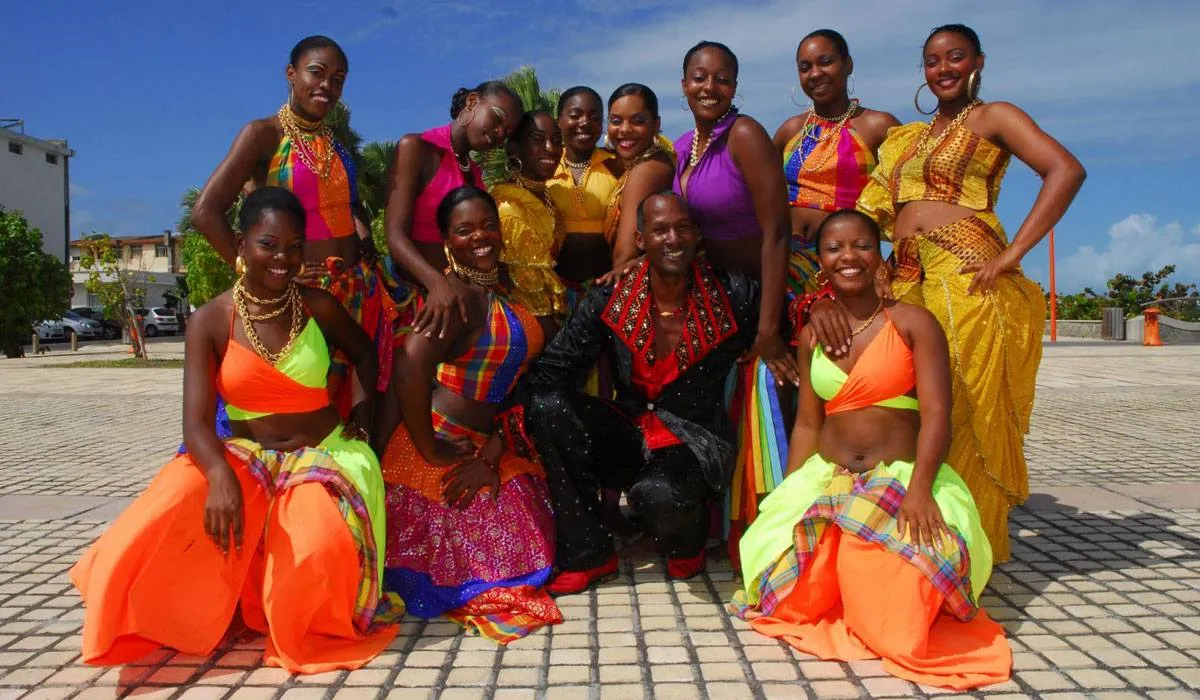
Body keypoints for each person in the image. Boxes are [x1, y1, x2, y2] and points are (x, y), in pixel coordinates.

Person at [71, 188, 400, 674]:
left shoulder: (318, 306)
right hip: (249, 457)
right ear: (242, 244)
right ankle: (138, 613)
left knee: (311, 549)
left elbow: (367, 354)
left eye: (294, 246)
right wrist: (219, 476)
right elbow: (196, 423)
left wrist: (362, 413)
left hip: (323, 456)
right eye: (269, 244)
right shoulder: (209, 320)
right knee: (165, 505)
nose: (283, 258)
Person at [732, 210, 1010, 690]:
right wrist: (787, 495)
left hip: (898, 480)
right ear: (820, 262)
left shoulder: (914, 323)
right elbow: (808, 422)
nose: (849, 257)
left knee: (899, 616)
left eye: (861, 245)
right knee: (788, 592)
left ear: (880, 256)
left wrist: (920, 492)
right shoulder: (813, 335)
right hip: (829, 479)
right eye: (834, 248)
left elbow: (937, 416)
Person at [837, 23, 1084, 561]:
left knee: (963, 408)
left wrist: (1013, 253)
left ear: (978, 62)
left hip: (966, 276)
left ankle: (968, 548)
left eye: (955, 57)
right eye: (932, 60)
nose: (943, 68)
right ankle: (906, 538)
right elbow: (875, 206)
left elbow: (1065, 170)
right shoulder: (906, 138)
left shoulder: (995, 117)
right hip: (906, 278)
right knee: (908, 403)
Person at [510, 191, 761, 595]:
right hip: (628, 433)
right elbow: (555, 368)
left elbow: (786, 318)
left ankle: (687, 545)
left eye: (682, 228)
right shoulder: (611, 296)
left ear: (697, 235)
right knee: (548, 406)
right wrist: (509, 428)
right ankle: (589, 554)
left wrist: (817, 311)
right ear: (641, 239)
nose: (673, 239)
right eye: (660, 230)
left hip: (693, 441)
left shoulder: (734, 294)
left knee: (657, 495)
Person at [379, 187, 560, 644]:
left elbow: (520, 386)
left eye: (487, 225)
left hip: (489, 443)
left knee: (526, 538)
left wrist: (493, 453)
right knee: (485, 555)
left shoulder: (501, 287)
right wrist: (429, 448)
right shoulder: (454, 297)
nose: (480, 237)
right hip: (443, 443)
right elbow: (409, 367)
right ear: (446, 240)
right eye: (464, 230)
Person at [191, 36, 394, 437]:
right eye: (317, 73)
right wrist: (256, 272)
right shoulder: (262, 135)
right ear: (291, 74)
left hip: (356, 290)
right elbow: (205, 213)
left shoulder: (335, 143)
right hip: (301, 295)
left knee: (364, 403)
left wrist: (365, 239)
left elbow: (349, 206)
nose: (327, 86)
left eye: (338, 80)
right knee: (304, 406)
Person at [673, 40, 800, 557]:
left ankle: (774, 527)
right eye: (700, 77)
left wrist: (769, 328)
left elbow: (777, 232)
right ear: (684, 85)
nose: (711, 87)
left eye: (722, 78)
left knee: (767, 397)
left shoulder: (744, 135)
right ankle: (722, 519)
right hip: (723, 295)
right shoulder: (683, 146)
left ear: (734, 86)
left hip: (769, 289)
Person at [383, 81, 524, 340]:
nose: (499, 133)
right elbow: (394, 235)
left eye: (507, 132)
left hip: (459, 298)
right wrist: (437, 283)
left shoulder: (476, 174)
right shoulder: (417, 148)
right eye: (497, 118)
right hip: (416, 293)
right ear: (472, 101)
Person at [774, 29, 899, 295]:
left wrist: (889, 265)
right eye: (805, 67)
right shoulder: (790, 130)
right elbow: (762, 196)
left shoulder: (877, 126)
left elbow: (911, 197)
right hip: (786, 255)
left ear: (848, 64)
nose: (815, 73)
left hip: (845, 260)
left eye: (826, 62)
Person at [490, 110, 568, 333]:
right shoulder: (508, 204)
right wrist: (560, 347)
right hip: (522, 328)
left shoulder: (544, 195)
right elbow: (530, 297)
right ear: (514, 148)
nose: (551, 148)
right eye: (537, 139)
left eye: (556, 141)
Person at [545, 86, 621, 287]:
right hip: (553, 286)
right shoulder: (544, 166)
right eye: (575, 115)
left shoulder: (618, 166)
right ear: (558, 121)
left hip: (606, 286)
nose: (585, 122)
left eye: (594, 118)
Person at [605, 84, 676, 270]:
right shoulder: (651, 160)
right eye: (616, 121)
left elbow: (624, 258)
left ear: (656, 124)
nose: (625, 129)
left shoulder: (646, 171)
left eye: (637, 121)